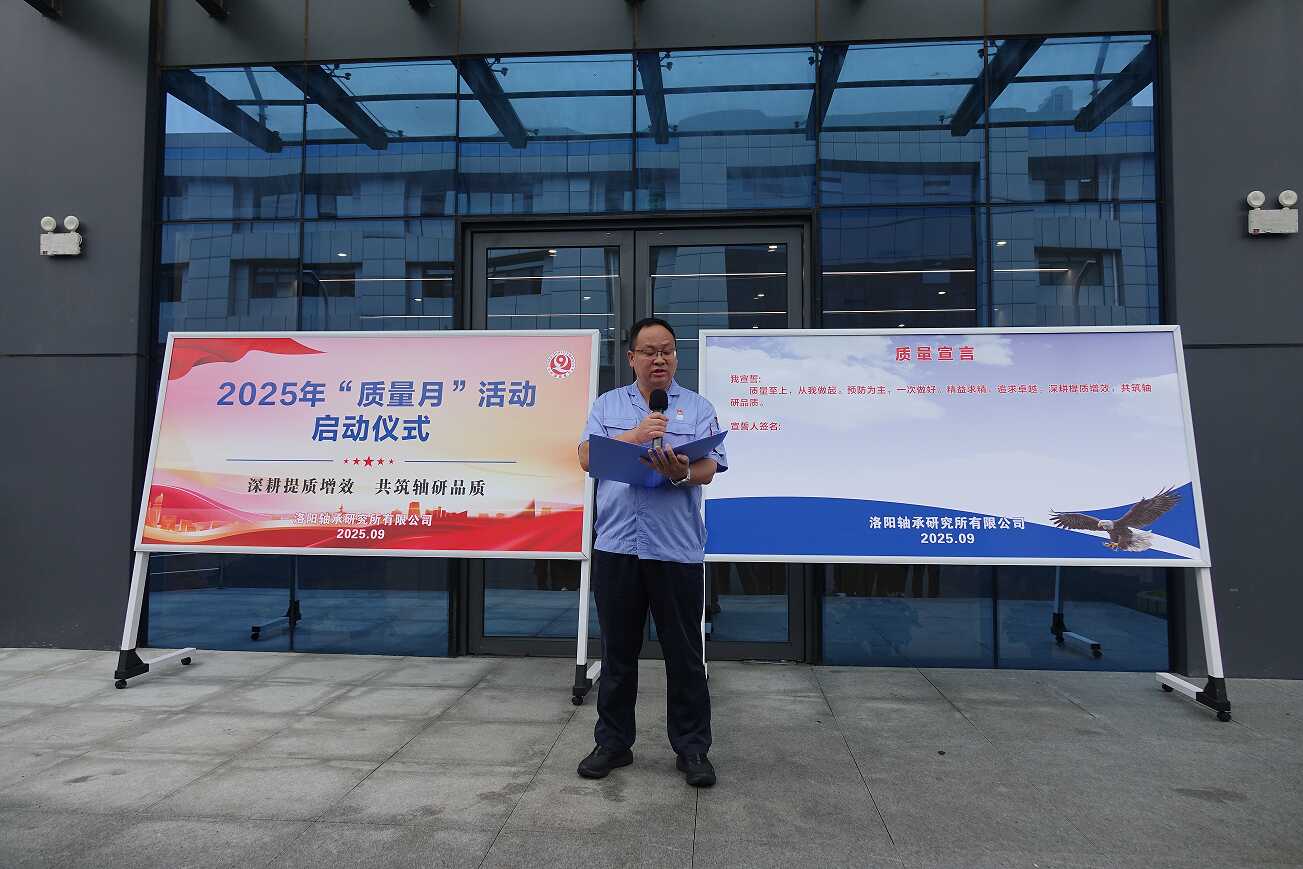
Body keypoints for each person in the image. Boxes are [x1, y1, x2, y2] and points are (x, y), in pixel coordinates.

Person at [576, 317, 727, 788]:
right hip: (617, 546)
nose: (659, 359)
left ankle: (693, 749)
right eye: (649, 351)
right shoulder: (607, 405)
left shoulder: (698, 407)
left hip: (676, 548)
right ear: (631, 358)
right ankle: (613, 744)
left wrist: (681, 472)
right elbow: (587, 457)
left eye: (667, 351)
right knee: (618, 652)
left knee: (685, 655)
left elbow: (710, 467)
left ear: (676, 356)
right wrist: (636, 435)